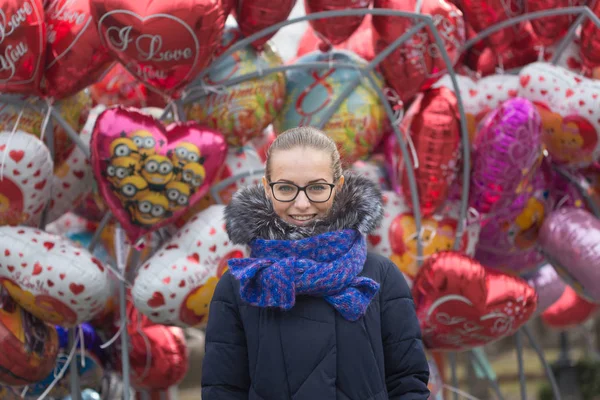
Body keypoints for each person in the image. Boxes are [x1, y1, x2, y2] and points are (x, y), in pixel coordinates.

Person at [202, 127, 430, 399]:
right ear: (267, 188)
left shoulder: (380, 276)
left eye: (317, 187)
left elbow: (407, 383)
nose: (301, 203)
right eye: (286, 188)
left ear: (339, 187)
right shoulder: (241, 285)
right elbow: (223, 390)